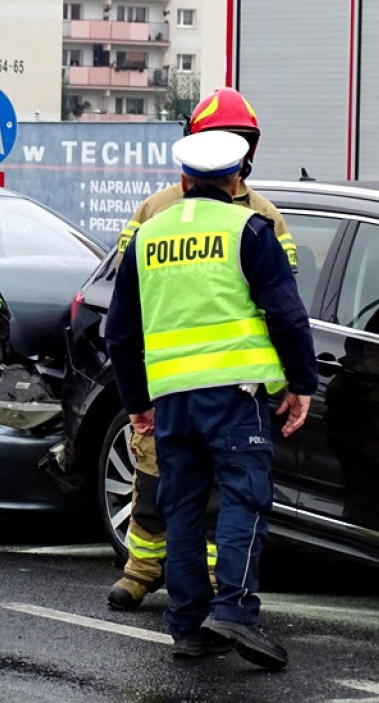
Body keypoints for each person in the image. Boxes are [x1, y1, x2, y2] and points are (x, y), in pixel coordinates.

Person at [105, 130, 317, 669]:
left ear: (183, 180)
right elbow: (286, 314)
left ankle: (188, 626)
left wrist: (136, 401)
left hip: (172, 397)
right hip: (236, 395)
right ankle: (236, 612)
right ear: (236, 178)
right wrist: (302, 384)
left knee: (181, 508)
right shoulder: (250, 228)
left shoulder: (149, 236)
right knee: (243, 499)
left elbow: (121, 330)